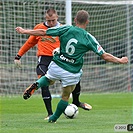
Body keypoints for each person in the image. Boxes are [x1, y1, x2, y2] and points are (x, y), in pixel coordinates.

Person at [15, 10, 128, 123]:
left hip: (57, 64)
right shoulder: (88, 38)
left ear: (75, 20)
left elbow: (43, 32)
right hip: (71, 70)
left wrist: (25, 31)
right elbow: (105, 56)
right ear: (87, 22)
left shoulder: (66, 28)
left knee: (49, 80)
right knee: (65, 96)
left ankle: (37, 84)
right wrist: (120, 60)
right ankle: (53, 118)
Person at [14, 8, 92, 120]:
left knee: (74, 80)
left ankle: (76, 101)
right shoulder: (39, 28)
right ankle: (50, 113)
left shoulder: (63, 29)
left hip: (60, 59)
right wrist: (18, 55)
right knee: (44, 83)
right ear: (45, 18)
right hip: (44, 59)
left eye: (53, 20)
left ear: (57, 18)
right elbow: (30, 43)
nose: (51, 23)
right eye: (49, 20)